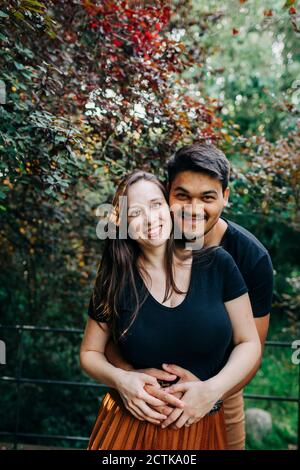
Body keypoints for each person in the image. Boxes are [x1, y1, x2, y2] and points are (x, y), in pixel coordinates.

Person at [102, 144, 274, 450]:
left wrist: (210, 394)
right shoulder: (146, 240)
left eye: (207, 197)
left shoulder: (250, 257)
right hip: (145, 403)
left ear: (226, 197)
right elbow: (111, 334)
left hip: (220, 398)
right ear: (168, 193)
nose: (194, 208)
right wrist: (129, 378)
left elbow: (251, 348)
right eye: (183, 196)